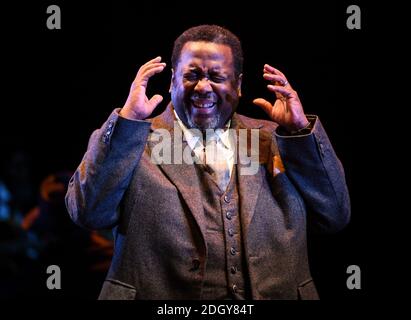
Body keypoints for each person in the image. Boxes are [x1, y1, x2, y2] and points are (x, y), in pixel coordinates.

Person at [65, 25, 350, 300]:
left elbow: (334, 216)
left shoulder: (276, 139)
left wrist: (299, 133)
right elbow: (88, 213)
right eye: (192, 75)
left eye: (216, 76)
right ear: (173, 79)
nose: (203, 86)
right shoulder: (132, 139)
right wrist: (127, 122)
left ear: (237, 85)